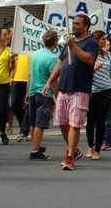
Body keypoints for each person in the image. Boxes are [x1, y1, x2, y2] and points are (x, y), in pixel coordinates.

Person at [43, 14, 98, 170]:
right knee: (61, 122)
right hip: (64, 88)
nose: (73, 26)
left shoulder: (90, 43)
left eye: (77, 24)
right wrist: (49, 81)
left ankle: (69, 157)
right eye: (73, 23)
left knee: (75, 124)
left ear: (86, 26)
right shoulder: (68, 43)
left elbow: (89, 60)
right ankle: (74, 150)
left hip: (80, 89)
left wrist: (74, 46)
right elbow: (60, 64)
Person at [86, 31, 111, 160]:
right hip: (92, 91)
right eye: (102, 39)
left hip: (106, 90)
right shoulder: (89, 55)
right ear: (95, 40)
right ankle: (90, 145)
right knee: (91, 120)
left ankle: (97, 149)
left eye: (105, 39)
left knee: (101, 120)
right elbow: (84, 73)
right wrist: (95, 68)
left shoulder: (107, 55)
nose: (105, 41)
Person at [27, 29, 59, 161]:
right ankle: (35, 152)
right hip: (44, 92)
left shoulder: (35, 54)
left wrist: (27, 91)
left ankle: (35, 145)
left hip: (33, 90)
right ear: (56, 42)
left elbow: (30, 74)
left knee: (33, 121)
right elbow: (54, 80)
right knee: (40, 123)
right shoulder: (52, 58)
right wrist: (58, 96)